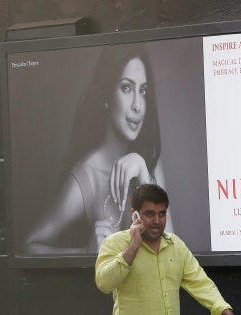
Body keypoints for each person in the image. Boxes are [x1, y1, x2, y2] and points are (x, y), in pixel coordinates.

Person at [26, 44, 173, 254]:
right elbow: (29, 246)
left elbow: (171, 253)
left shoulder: (149, 162)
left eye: (142, 91)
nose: (137, 105)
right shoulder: (87, 178)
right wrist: (84, 253)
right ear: (106, 95)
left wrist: (142, 171)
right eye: (126, 88)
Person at [95, 184, 234, 315]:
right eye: (150, 214)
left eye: (161, 214)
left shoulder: (176, 245)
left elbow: (199, 282)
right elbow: (104, 283)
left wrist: (222, 308)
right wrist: (134, 245)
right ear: (134, 214)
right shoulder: (115, 242)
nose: (157, 221)